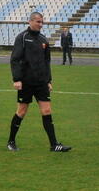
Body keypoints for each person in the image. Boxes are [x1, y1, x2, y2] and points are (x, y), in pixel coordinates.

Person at [7, 12, 72, 152]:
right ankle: (11, 141)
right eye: (38, 21)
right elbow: (15, 59)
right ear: (30, 21)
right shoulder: (22, 37)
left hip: (41, 82)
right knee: (22, 111)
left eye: (42, 22)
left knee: (47, 110)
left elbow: (46, 61)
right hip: (25, 82)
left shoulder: (43, 40)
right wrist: (17, 79)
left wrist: (48, 80)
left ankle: (54, 144)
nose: (40, 24)